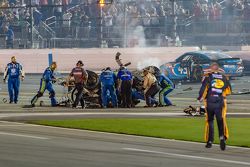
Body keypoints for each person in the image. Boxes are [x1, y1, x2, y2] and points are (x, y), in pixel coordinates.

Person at [197, 62, 231, 151]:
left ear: (211, 69)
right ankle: (222, 137)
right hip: (221, 102)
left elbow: (203, 89)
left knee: (210, 121)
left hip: (210, 102)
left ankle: (210, 141)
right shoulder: (224, 77)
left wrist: (200, 98)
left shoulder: (208, 77)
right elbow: (229, 91)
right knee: (221, 120)